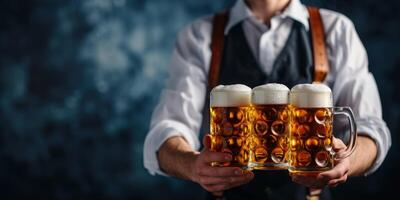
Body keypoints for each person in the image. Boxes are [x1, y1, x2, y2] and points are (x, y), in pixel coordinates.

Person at [143, 0, 391, 199]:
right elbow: (167, 129)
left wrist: (347, 160)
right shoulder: (199, 35)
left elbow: (372, 127)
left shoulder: (336, 29)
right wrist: (191, 164)